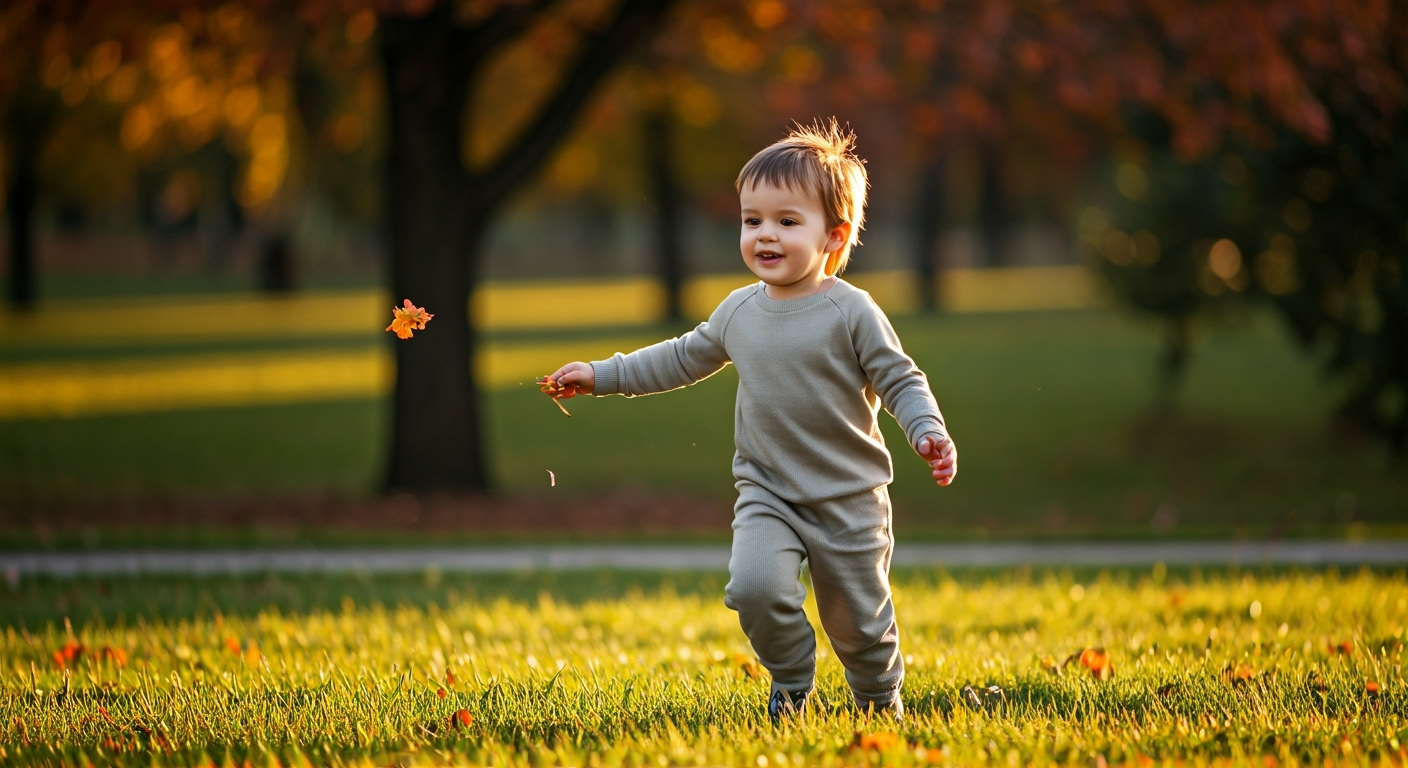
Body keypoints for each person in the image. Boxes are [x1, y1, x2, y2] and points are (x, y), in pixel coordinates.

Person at [545, 120, 957, 722]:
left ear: (833, 236)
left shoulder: (851, 311)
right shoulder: (739, 310)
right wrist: (603, 374)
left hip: (849, 498)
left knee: (858, 625)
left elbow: (900, 378)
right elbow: (683, 357)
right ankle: (791, 684)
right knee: (754, 588)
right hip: (767, 491)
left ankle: (877, 698)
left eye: (788, 222)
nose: (765, 234)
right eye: (752, 219)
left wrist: (926, 429)